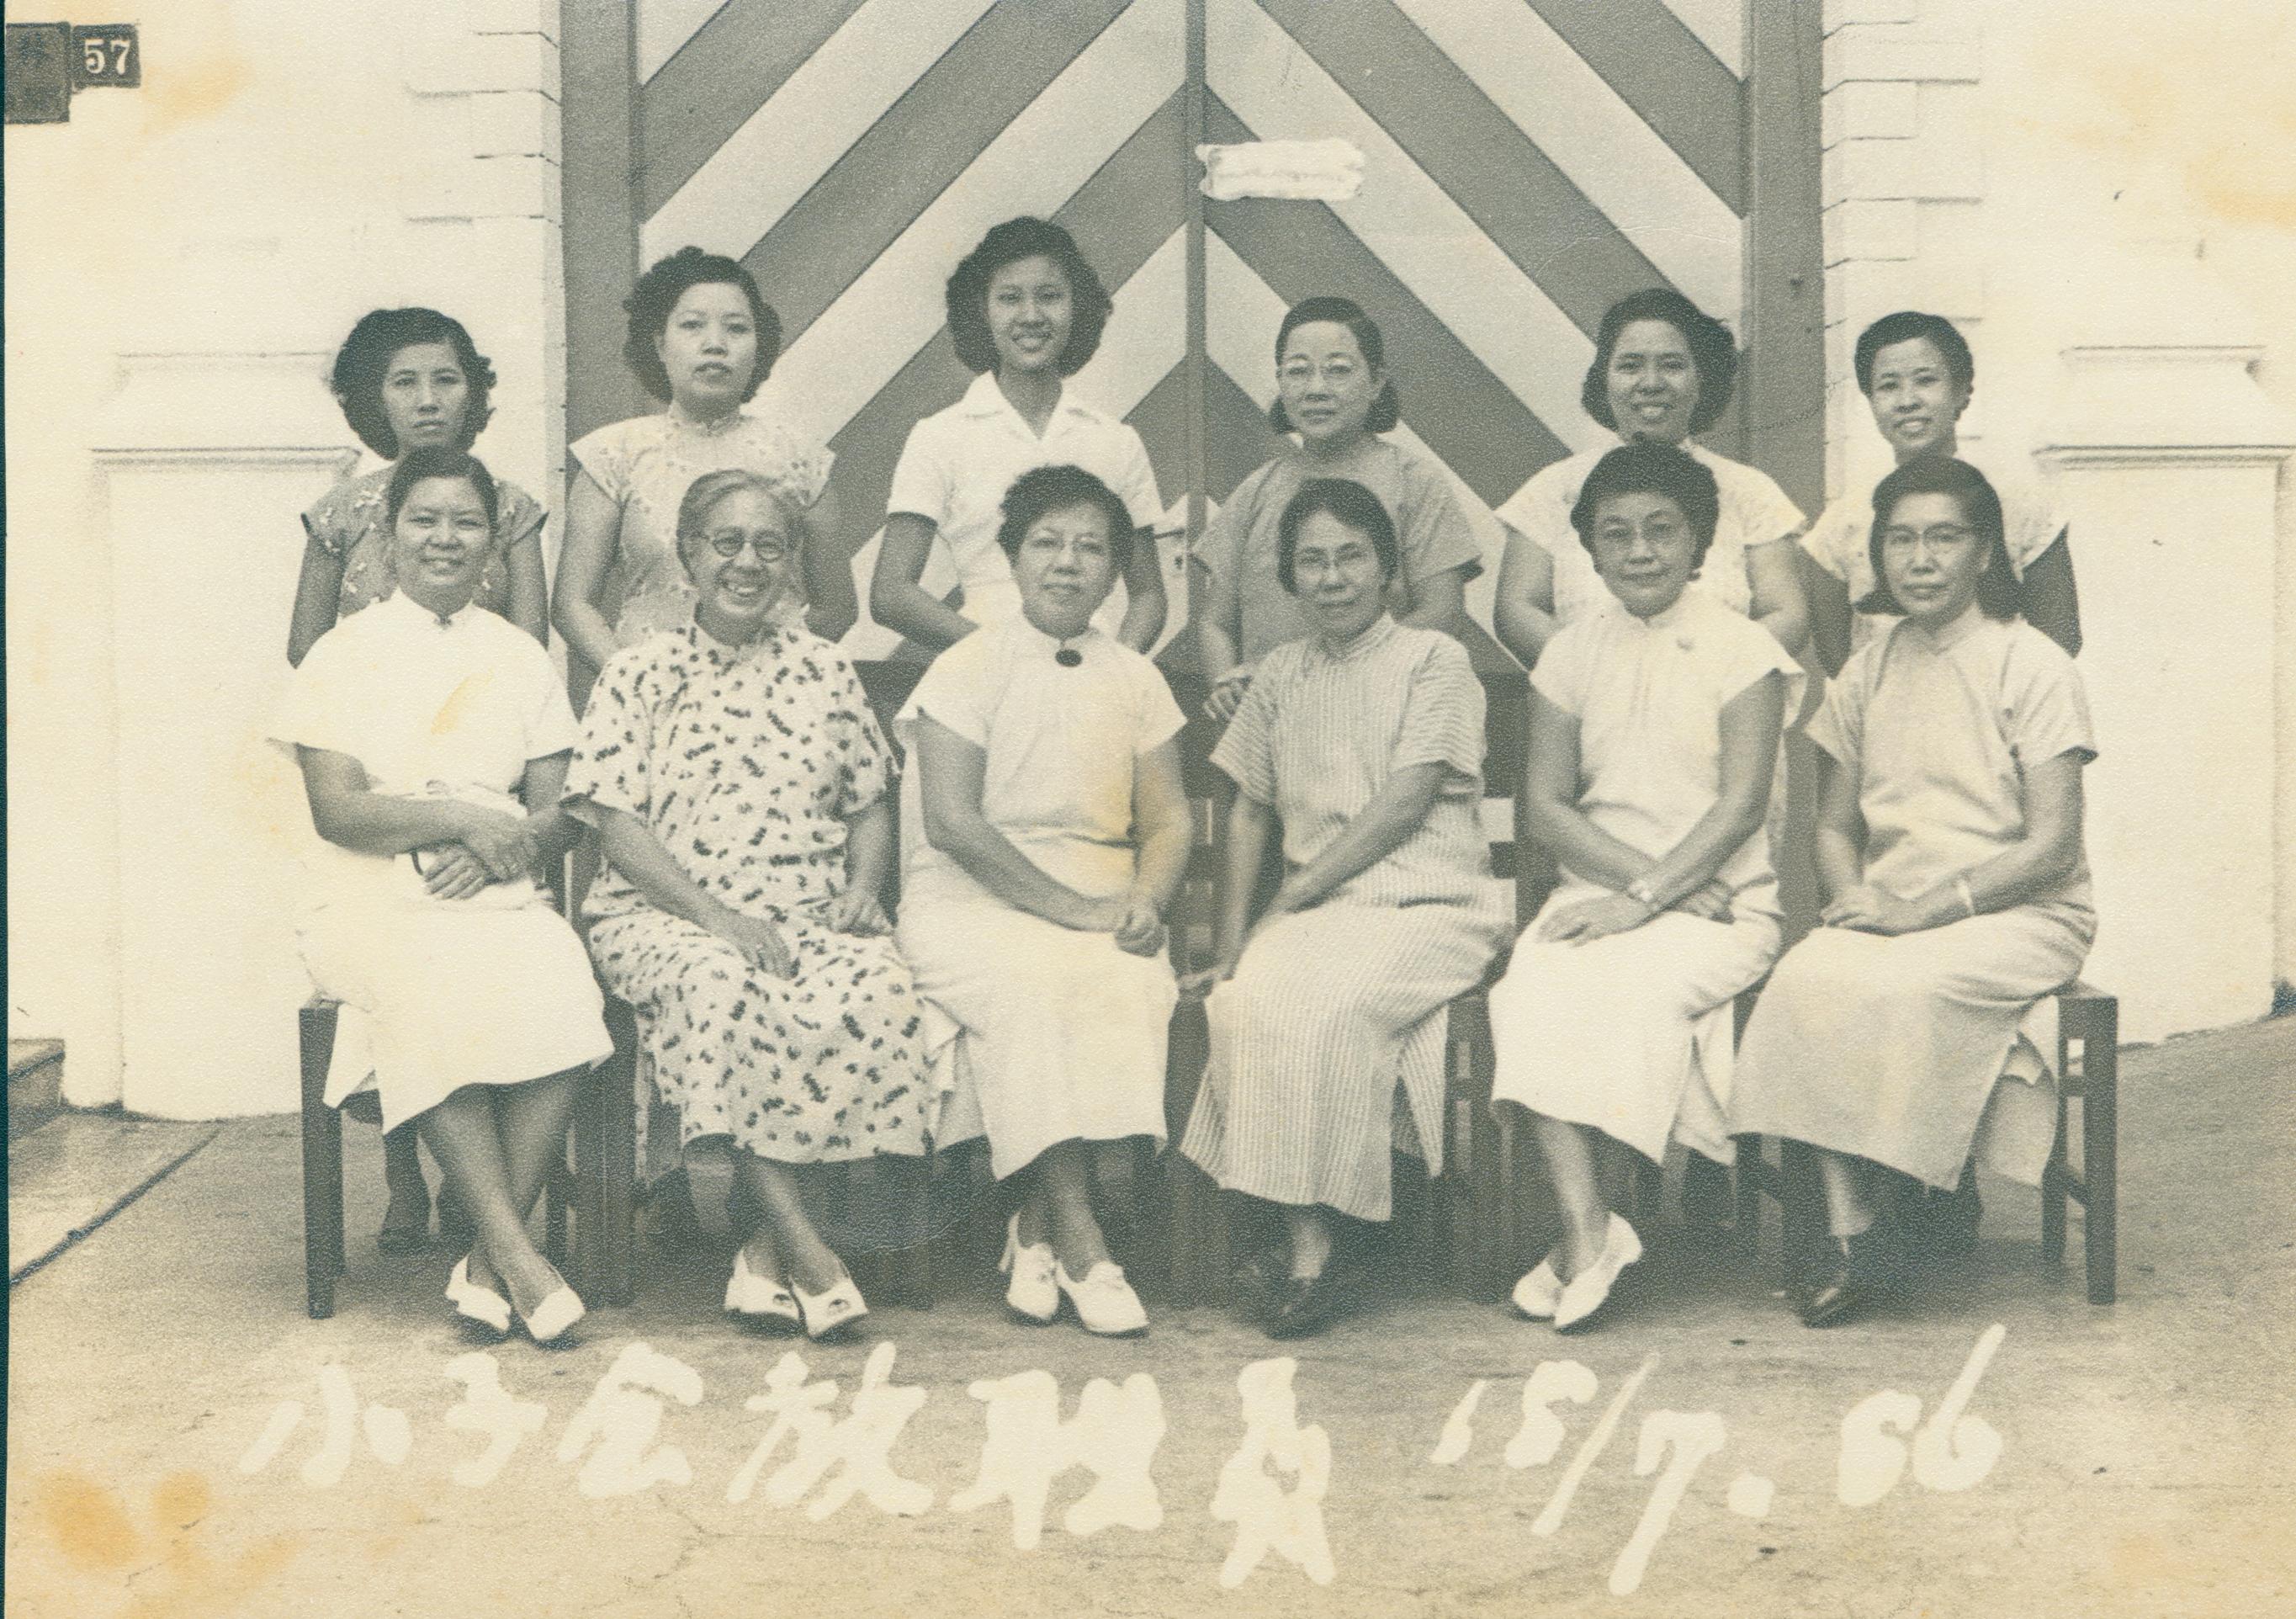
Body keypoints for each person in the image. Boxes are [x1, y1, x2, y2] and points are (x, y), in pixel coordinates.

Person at [566, 469, 932, 1341]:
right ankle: (807, 1247)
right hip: (661, 916)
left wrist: (859, 888)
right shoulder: (638, 672)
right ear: (688, 554)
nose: (747, 563)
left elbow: (867, 800)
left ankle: (764, 1251)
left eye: (770, 546)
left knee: (879, 984)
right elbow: (615, 826)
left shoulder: (824, 668)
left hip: (805, 910)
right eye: (726, 542)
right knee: (725, 985)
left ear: (792, 561)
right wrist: (716, 918)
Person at [1732, 457, 2097, 1328]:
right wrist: (1854, 904)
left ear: (1985, 553)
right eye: (1899, 540)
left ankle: (1909, 1195)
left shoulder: (2032, 664)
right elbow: (1830, 826)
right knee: (1807, 975)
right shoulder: (1865, 670)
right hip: (1894, 909)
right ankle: (1854, 1227)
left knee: (1901, 983)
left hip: (2021, 912)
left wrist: (1917, 914)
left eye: (1943, 538)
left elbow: (2051, 846)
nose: (1920, 560)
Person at [274, 447, 610, 1345]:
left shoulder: (519, 656)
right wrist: (464, 819)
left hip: (497, 889)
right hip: (368, 897)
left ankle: (487, 1262)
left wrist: (506, 848)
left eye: (467, 522)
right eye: (424, 519)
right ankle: (520, 1256)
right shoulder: (340, 655)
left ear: (493, 541)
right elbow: (338, 811)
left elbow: (562, 812)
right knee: (429, 991)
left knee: (567, 990)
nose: (445, 538)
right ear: (388, 535)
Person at [1180, 479, 1512, 1339]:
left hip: (1431, 903)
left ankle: (1322, 1250)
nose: (1331, 579)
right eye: (1311, 562)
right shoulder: (1280, 672)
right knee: (1242, 999)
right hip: (1323, 914)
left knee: (1324, 1009)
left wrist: (1291, 895)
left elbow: (1404, 803)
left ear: (1387, 568)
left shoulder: (1432, 660)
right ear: (1290, 579)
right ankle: (1308, 1231)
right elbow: (1249, 809)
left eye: (1351, 557)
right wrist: (1230, 945)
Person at [1484, 444, 1798, 1331]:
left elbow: (1740, 806)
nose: (1639, 551)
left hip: (1725, 908)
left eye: (1661, 530)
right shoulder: (1569, 654)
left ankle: (1578, 1242)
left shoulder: (1745, 650)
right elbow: (1546, 808)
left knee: (1625, 990)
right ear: (1588, 548)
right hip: (1602, 895)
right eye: (1615, 534)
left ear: (1699, 541)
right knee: (1531, 985)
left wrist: (1651, 898)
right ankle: (1589, 1228)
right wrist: (1643, 889)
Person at [895, 464, 1190, 1337]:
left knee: (1127, 979)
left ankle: (1032, 1227)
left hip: (1098, 893)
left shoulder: (1135, 677)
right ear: (1013, 556)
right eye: (1047, 543)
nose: (1067, 563)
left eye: (1091, 547)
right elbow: (952, 824)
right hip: (964, 900)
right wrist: (1072, 911)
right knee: (1033, 983)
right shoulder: (966, 666)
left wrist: (1146, 899)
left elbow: (1168, 819)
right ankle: (1083, 1235)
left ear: (1115, 571)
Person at [288, 307, 550, 1257]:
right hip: (372, 772)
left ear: (473, 394)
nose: (427, 399)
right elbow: (305, 642)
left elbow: (527, 638)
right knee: (395, 960)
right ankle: (406, 1175)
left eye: (446, 380)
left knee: (482, 966)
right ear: (373, 398)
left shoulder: (507, 506)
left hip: (481, 768)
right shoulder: (341, 511)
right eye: (404, 382)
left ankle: (476, 1193)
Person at [872, 217, 1168, 654]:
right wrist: (998, 656)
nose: (1031, 316)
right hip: (983, 663)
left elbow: (1148, 595)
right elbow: (891, 593)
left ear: (1078, 307)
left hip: (1090, 663)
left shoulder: (1116, 441)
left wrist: (1115, 667)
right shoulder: (940, 436)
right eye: (1010, 298)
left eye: (1050, 296)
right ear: (982, 310)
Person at [554, 247, 853, 673]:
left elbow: (836, 607)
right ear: (659, 344)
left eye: (737, 328)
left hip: (769, 695)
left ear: (758, 347)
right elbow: (573, 605)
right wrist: (633, 685)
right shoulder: (613, 455)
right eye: (692, 325)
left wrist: (777, 675)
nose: (715, 344)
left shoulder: (800, 459)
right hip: (651, 691)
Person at [1195, 295, 1481, 720]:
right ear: (1280, 382)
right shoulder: (1256, 491)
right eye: (1298, 371)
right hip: (1274, 717)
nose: (1316, 389)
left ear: (1376, 382)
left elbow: (1443, 610)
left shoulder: (1414, 483)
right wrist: (1228, 686)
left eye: (1339, 370)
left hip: (1382, 711)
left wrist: (1331, 672)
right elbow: (1215, 622)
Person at [1492, 287, 1809, 669]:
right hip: (1590, 692)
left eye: (1672, 365)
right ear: (1604, 380)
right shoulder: (1554, 488)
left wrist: (1706, 676)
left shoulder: (1750, 490)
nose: (1651, 382)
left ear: (1701, 378)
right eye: (1630, 366)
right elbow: (1517, 609)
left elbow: (1786, 614)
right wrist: (1593, 675)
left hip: (1716, 693)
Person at [1800, 310, 2081, 671]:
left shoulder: (2021, 504)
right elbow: (1838, 662)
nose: (1907, 401)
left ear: (1962, 392)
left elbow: (2059, 639)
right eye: (1888, 386)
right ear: (1870, 401)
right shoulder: (1842, 524)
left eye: (1926, 380)